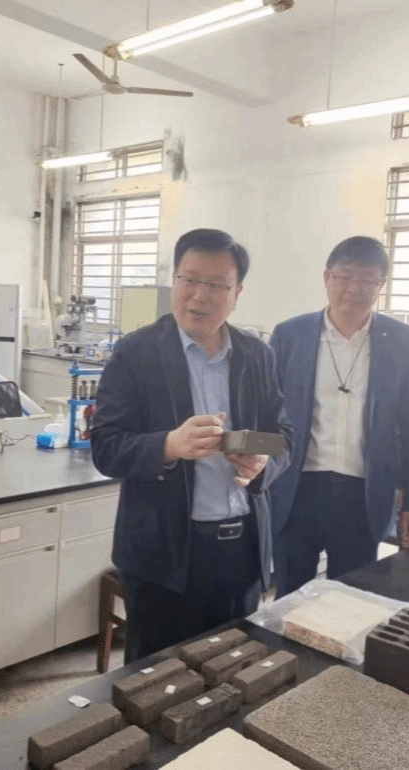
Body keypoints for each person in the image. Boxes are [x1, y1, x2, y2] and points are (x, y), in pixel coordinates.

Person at [91, 228, 293, 663]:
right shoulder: (135, 353)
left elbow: (284, 437)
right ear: (174, 280)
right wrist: (169, 444)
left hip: (240, 554)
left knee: (232, 671)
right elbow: (105, 447)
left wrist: (262, 462)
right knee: (153, 680)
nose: (200, 295)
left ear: (236, 293)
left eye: (216, 285)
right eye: (190, 279)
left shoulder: (256, 355)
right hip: (162, 557)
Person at [270, 236, 409, 597]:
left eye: (366, 279)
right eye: (344, 277)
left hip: (363, 495)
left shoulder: (402, 340)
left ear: (381, 284)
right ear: (327, 277)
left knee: (351, 600)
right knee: (289, 597)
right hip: (296, 489)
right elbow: (266, 413)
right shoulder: (290, 334)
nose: (354, 288)